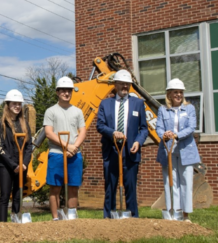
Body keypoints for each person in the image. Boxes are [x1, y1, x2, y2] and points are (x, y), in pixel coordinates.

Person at [96, 69, 148, 218]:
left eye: (128, 84)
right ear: (115, 84)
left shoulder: (138, 103)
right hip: (112, 151)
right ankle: (108, 218)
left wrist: (138, 141)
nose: (125, 86)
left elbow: (144, 128)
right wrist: (113, 132)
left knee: (131, 188)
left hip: (131, 151)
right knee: (110, 188)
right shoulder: (105, 103)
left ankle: (133, 218)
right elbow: (100, 125)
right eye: (122, 84)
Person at [156, 78, 200, 223]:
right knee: (171, 181)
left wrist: (176, 135)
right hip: (168, 149)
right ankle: (173, 212)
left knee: (186, 182)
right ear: (169, 94)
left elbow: (191, 127)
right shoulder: (163, 109)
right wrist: (164, 134)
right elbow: (159, 127)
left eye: (180, 92)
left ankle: (185, 214)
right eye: (175, 92)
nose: (179, 95)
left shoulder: (190, 108)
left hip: (186, 149)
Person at [43, 76, 86, 221]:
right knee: (55, 188)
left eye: (69, 91)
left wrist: (75, 147)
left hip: (75, 154)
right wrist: (67, 146)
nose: (66, 93)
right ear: (57, 92)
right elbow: (49, 133)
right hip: (56, 154)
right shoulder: (51, 111)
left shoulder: (78, 111)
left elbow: (83, 131)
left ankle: (71, 216)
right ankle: (56, 218)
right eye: (63, 90)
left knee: (73, 187)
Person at [0, 89, 32, 222]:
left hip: (21, 165)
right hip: (6, 165)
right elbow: (0, 147)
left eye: (19, 104)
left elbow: (29, 146)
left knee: (18, 194)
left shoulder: (24, 123)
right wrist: (13, 164)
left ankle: (16, 219)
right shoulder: (1, 124)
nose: (17, 106)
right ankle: (3, 224)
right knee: (5, 196)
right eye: (14, 104)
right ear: (8, 105)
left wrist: (24, 164)